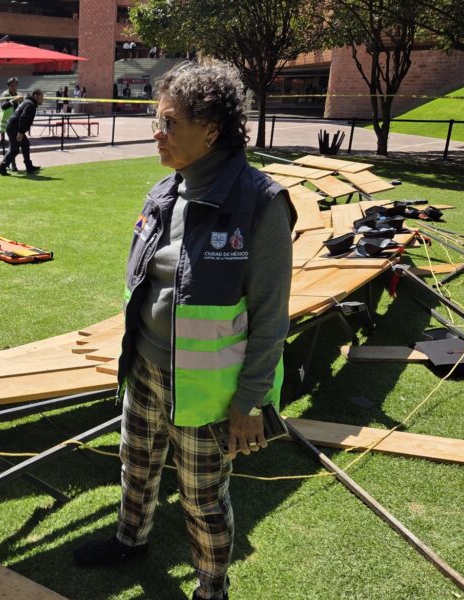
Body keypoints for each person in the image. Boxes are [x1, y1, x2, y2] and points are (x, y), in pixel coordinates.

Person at [72, 61, 296, 600]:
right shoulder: (166, 190)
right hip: (145, 368)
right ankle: (131, 541)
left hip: (206, 393)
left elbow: (271, 316)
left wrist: (250, 402)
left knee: (202, 499)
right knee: (136, 465)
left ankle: (212, 589)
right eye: (158, 120)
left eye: (170, 123)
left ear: (211, 130)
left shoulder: (260, 203)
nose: (158, 132)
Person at [0, 88, 42, 176]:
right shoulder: (30, 104)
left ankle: (29, 167)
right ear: (36, 96)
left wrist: (21, 132)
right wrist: (20, 133)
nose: (42, 99)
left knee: (25, 144)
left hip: (13, 127)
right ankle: (1, 167)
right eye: (41, 97)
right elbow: (23, 118)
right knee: (14, 150)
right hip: (14, 128)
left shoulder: (29, 102)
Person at [0, 77, 23, 171]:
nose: (14, 87)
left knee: (14, 145)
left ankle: (9, 163)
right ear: (8, 86)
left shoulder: (17, 95)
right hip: (6, 123)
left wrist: (21, 101)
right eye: (12, 85)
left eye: (15, 85)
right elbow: (3, 106)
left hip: (14, 123)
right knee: (11, 145)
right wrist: (14, 100)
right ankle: (10, 164)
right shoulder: (5, 95)